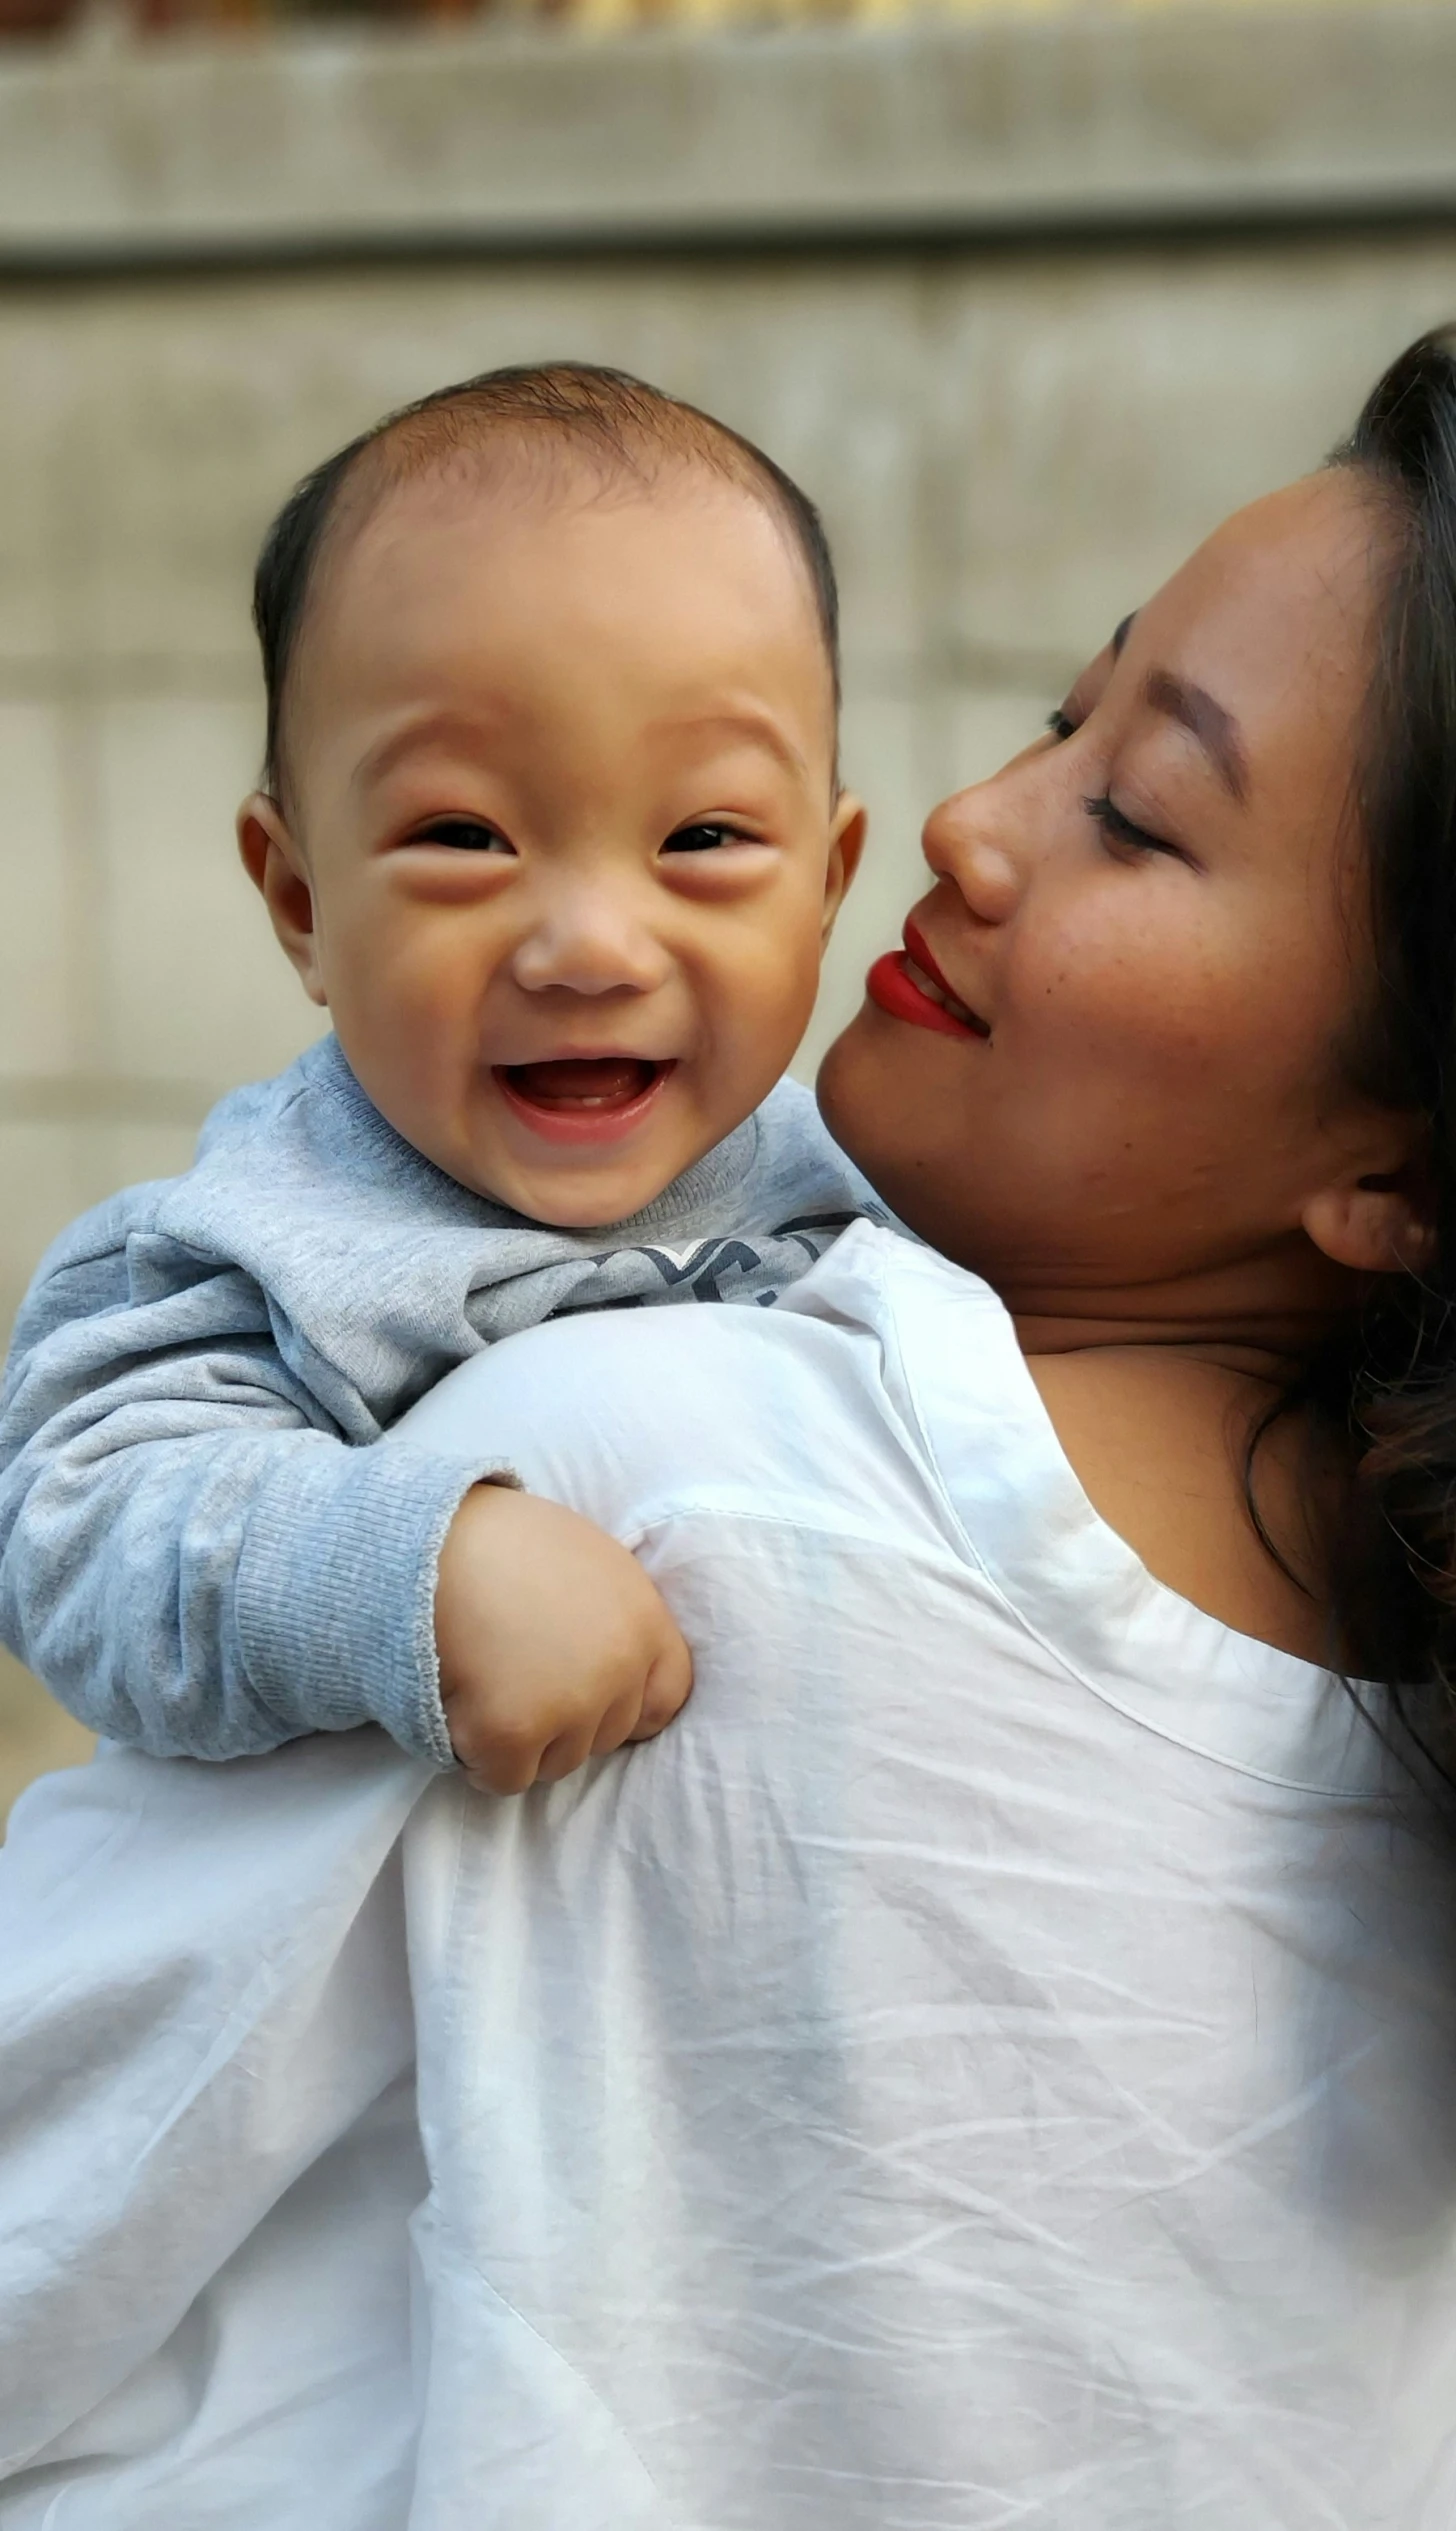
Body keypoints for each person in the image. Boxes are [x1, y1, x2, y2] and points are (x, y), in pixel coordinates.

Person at [8, 327, 1456, 2526]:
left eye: (1136, 809)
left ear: (1401, 1175)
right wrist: (381, 1569)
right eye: (1063, 717)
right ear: (291, 891)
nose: (972, 827)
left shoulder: (663, 1468)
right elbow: (96, 1486)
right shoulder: (1389, 1686)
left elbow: (62, 2160)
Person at [0, 363, 873, 1795]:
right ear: (300, 899)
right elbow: (75, 1519)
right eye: (466, 834)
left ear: (830, 883)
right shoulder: (261, 1240)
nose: (591, 945)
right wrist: (411, 1573)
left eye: (705, 835)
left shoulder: (866, 1186)